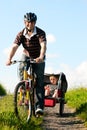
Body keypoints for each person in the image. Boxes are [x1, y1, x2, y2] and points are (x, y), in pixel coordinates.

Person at [6, 12, 47, 115]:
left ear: (35, 22)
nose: (30, 24)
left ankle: (39, 107)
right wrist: (9, 58)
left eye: (32, 22)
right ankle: (23, 87)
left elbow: (43, 46)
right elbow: (15, 47)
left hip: (38, 57)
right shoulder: (21, 34)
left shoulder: (40, 33)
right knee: (21, 68)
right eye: (28, 22)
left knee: (39, 82)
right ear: (25, 22)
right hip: (27, 55)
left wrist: (41, 57)